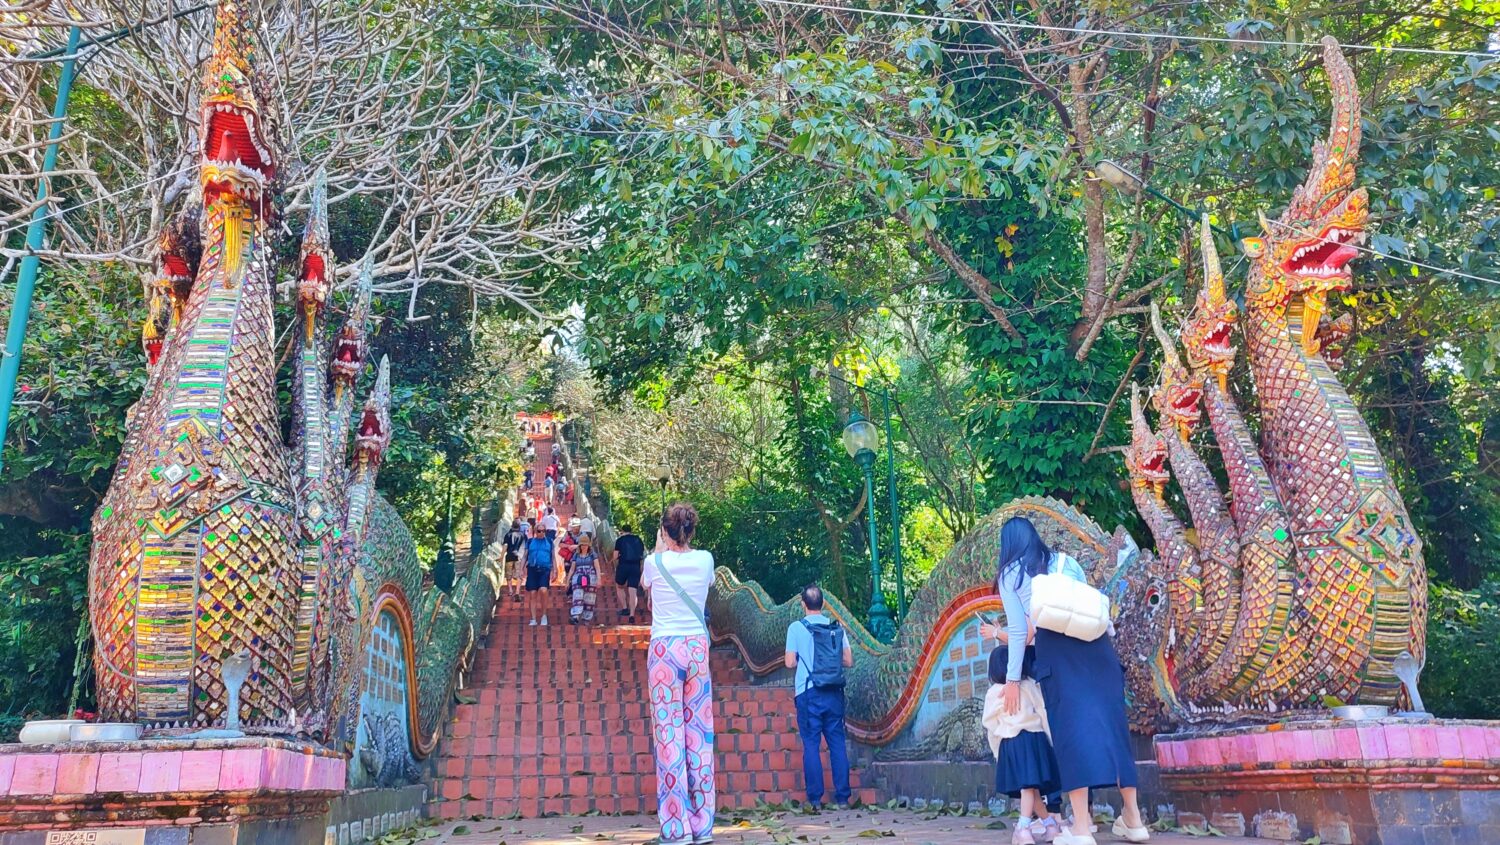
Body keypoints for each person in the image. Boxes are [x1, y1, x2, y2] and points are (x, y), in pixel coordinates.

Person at [980, 517, 1149, 845]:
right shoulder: (1065, 562)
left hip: (1058, 654)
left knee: (1072, 737)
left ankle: (1082, 830)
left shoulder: (1011, 573)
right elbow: (1085, 605)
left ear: (1008, 545)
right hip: (1098, 648)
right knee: (1114, 732)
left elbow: (1019, 631)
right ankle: (1134, 818)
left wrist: (1012, 680)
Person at [642, 504, 717, 845]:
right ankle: (702, 826)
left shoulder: (654, 562)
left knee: (669, 737)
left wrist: (660, 549)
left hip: (664, 650)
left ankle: (676, 827)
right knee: (700, 736)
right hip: (698, 649)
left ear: (665, 531)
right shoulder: (705, 560)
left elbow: (647, 591)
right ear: (692, 530)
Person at [983, 639, 1061, 845]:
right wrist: (1051, 740)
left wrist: (997, 752)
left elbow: (991, 725)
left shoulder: (993, 693)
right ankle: (1050, 826)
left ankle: (1023, 828)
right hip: (1035, 739)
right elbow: (1043, 711)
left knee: (1027, 787)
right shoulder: (1029, 685)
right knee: (1031, 788)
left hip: (1012, 743)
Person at [783, 585, 853, 810]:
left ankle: (815, 800)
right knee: (837, 743)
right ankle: (843, 797)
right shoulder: (836, 627)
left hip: (808, 692)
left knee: (811, 744)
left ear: (803, 604)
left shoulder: (796, 628)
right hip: (833, 691)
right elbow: (848, 661)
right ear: (823, 604)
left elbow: (789, 662)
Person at [522, 522, 557, 627]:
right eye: (539, 531)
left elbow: (553, 557)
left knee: (543, 590)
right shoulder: (530, 542)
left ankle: (544, 615)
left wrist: (555, 570)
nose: (541, 533)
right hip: (532, 568)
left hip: (545, 569)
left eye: (543, 531)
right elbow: (525, 556)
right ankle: (533, 618)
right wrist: (521, 568)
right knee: (532, 593)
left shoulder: (549, 542)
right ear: (535, 532)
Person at [612, 523, 646, 621]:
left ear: (622, 531)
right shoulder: (638, 540)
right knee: (633, 591)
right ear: (631, 530)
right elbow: (642, 554)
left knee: (619, 586)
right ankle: (632, 614)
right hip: (635, 566)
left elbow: (615, 556)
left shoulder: (620, 540)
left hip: (623, 566)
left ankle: (624, 608)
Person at [567, 532, 601, 625]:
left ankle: (586, 619)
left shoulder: (592, 554)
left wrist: (599, 579)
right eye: (582, 545)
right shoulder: (576, 555)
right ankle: (576, 616)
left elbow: (597, 567)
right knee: (577, 595)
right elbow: (572, 569)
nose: (584, 546)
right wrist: (568, 580)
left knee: (589, 598)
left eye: (586, 545)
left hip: (591, 577)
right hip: (578, 576)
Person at [503, 519, 528, 603]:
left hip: (509, 556)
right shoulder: (523, 535)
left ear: (512, 526)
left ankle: (510, 590)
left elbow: (505, 545)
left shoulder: (508, 535)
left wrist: (501, 556)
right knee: (519, 574)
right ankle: (517, 591)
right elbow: (526, 547)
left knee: (508, 574)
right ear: (519, 526)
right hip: (519, 556)